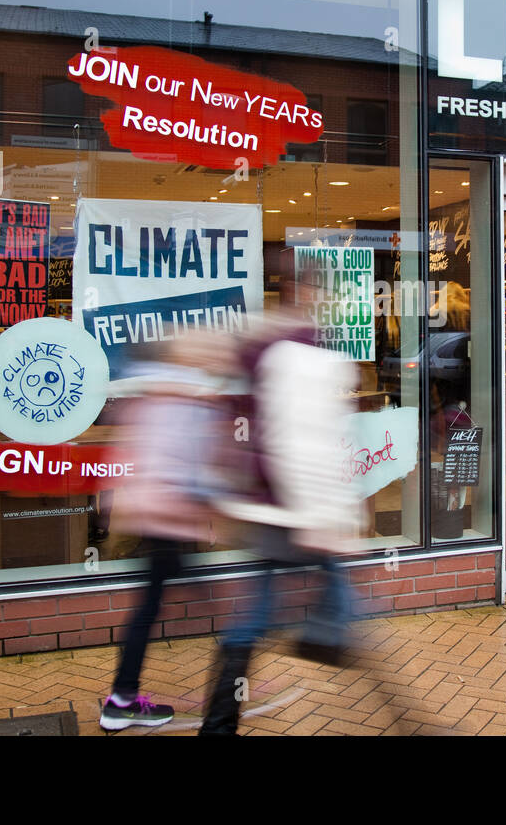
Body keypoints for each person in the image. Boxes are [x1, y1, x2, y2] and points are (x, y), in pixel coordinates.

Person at [199, 272, 361, 737]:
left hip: (265, 506)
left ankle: (218, 723)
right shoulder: (300, 352)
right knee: (339, 609)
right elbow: (301, 441)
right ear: (309, 297)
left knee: (257, 618)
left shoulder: (261, 345)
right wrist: (325, 518)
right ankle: (408, 717)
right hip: (293, 510)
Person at [98, 331, 229, 731]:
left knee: (153, 603)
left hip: (155, 515)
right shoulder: (182, 396)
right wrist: (215, 502)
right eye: (203, 347)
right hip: (167, 517)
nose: (212, 353)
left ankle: (122, 697)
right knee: (213, 603)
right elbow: (180, 463)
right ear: (182, 354)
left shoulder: (157, 388)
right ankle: (124, 699)